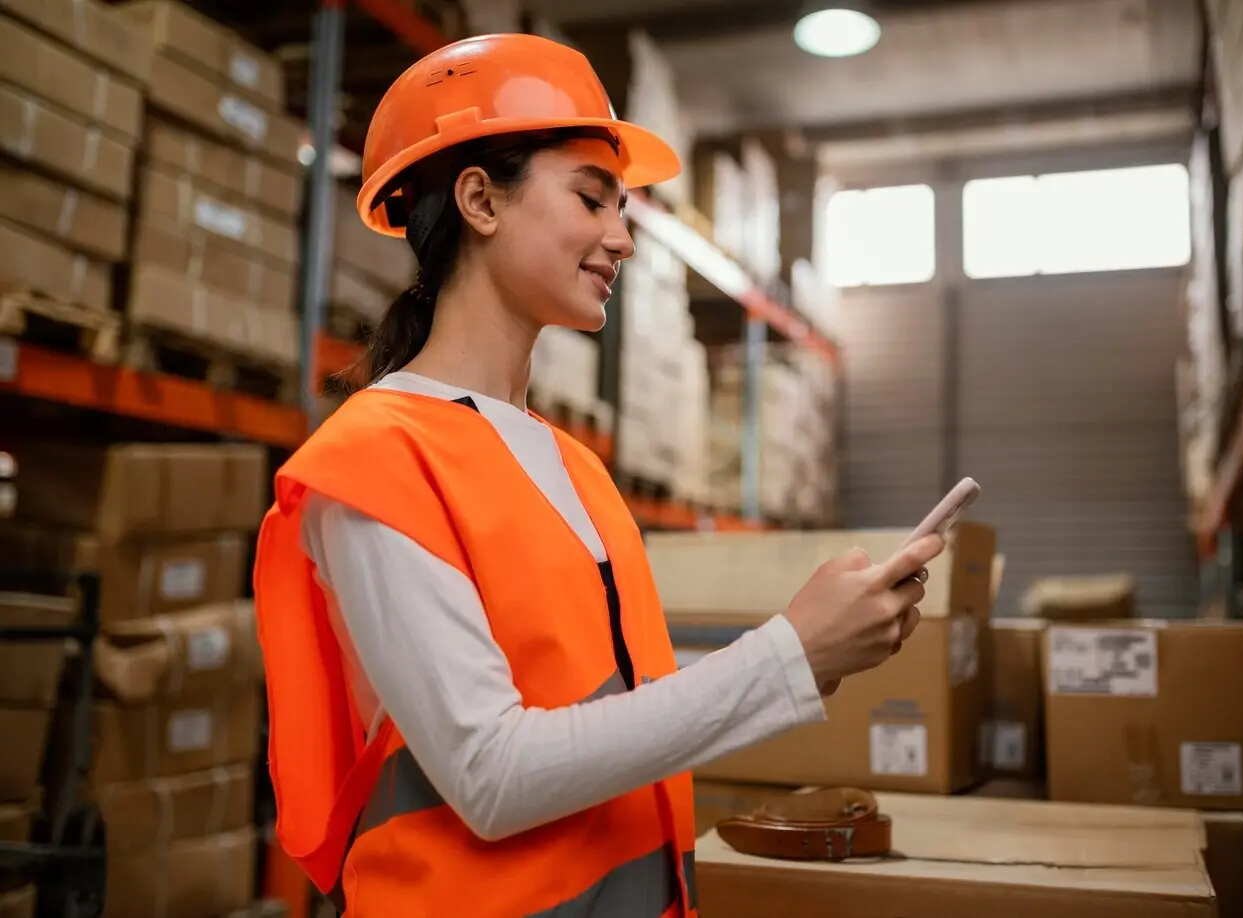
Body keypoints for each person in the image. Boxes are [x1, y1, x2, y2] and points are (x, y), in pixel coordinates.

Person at [253, 33, 944, 918]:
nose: (621, 239)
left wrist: (820, 645)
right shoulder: (376, 459)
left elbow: (615, 699)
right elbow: (490, 774)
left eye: (623, 209)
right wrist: (787, 656)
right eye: (591, 199)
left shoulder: (573, 465)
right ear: (479, 200)